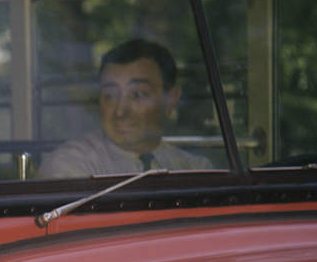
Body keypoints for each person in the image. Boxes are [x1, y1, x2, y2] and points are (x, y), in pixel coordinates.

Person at [38, 39, 215, 179]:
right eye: (109, 96)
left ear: (170, 100)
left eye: (137, 95)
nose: (120, 112)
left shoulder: (195, 170)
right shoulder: (70, 167)